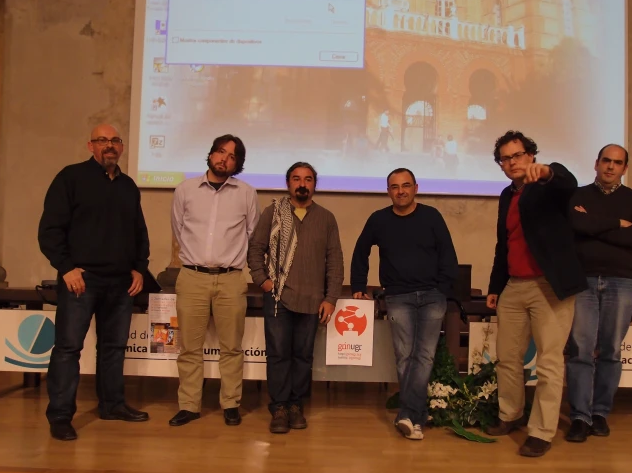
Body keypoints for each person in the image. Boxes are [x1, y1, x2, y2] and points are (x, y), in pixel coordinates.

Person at [38, 124, 151, 441]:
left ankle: (112, 405)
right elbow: (50, 231)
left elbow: (139, 233)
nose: (109, 146)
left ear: (122, 148)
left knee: (114, 348)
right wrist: (66, 268)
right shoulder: (71, 178)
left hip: (120, 284)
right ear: (91, 146)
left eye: (115, 140)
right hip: (81, 281)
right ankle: (60, 415)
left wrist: (139, 268)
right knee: (68, 349)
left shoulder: (129, 186)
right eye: (102, 140)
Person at [485, 130, 587, 457]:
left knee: (549, 363)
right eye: (505, 158)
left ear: (531, 155)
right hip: (514, 286)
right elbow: (505, 244)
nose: (512, 162)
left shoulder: (548, 185)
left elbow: (567, 182)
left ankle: (542, 431)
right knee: (508, 358)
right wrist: (495, 287)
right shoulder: (505, 195)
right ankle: (510, 415)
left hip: (549, 286)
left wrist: (547, 172)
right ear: (500, 165)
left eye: (517, 155)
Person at [351, 168, 458, 441]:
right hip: (398, 297)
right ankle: (414, 416)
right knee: (405, 356)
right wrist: (359, 288)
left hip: (432, 296)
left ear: (416, 188)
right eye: (395, 187)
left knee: (424, 357)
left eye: (406, 185)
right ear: (388, 191)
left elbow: (448, 253)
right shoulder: (379, 220)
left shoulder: (431, 216)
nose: (401, 191)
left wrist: (443, 288)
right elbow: (360, 251)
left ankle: (408, 415)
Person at [169, 134, 260, 428]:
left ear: (238, 164)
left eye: (232, 156)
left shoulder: (246, 193)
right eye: (220, 152)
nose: (224, 159)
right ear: (210, 154)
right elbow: (179, 230)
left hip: (231, 279)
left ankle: (231, 403)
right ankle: (189, 405)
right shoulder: (185, 190)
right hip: (192, 276)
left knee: (231, 347)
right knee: (189, 348)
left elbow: (252, 235)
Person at [565, 144, 632, 442]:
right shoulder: (578, 195)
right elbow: (576, 224)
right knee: (580, 350)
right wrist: (616, 224)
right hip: (583, 281)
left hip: (621, 282)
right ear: (596, 163)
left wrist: (594, 226)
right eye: (606, 161)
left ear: (625, 168)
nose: (611, 167)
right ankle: (579, 416)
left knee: (611, 351)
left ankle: (600, 413)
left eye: (617, 163)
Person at [248, 162, 343, 434]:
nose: (302, 184)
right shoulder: (274, 213)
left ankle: (295, 405)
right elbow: (255, 248)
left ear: (315, 184)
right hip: (279, 298)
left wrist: (331, 298)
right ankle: (278, 407)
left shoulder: (326, 218)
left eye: (308, 179)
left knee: (303, 356)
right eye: (296, 178)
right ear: (288, 183)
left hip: (312, 300)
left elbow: (335, 260)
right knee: (279, 355)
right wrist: (263, 281)